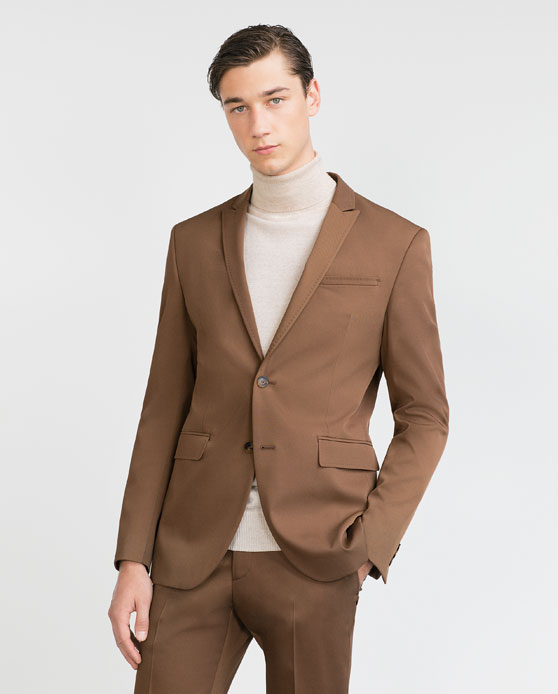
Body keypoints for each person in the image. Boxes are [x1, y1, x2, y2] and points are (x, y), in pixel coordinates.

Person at [108, 24, 450, 694]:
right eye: (237, 107)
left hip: (318, 554)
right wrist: (132, 559)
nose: (257, 124)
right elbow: (163, 409)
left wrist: (372, 541)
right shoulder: (192, 242)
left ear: (312, 95)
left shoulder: (395, 244)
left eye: (274, 99)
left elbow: (426, 416)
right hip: (191, 552)